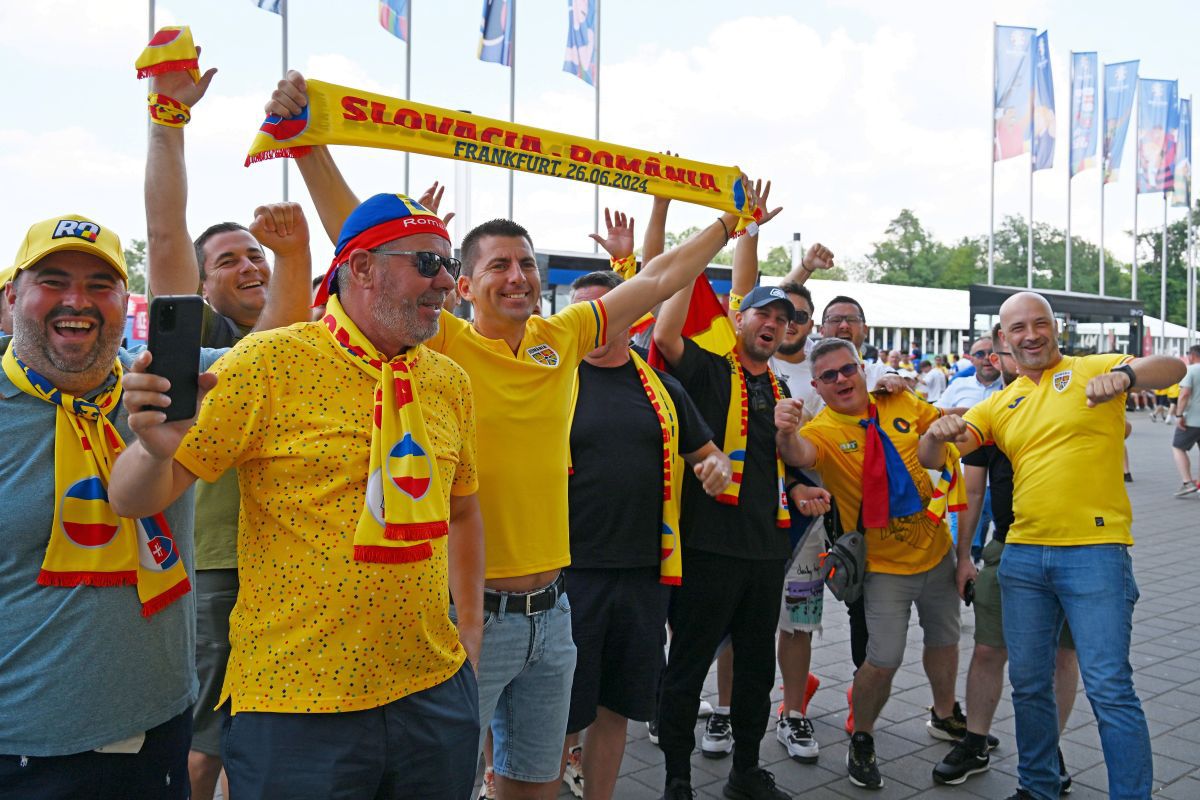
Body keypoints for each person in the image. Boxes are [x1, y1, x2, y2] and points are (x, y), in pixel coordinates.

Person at [270, 65, 766, 800]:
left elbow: (659, 279)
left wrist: (728, 225)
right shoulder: (437, 343)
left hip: (553, 614)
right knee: (441, 783)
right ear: (459, 284)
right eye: (498, 264)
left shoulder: (562, 336)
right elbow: (359, 243)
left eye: (528, 262)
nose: (519, 275)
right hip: (465, 615)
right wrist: (307, 143)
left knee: (528, 785)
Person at [109, 194, 487, 800]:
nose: (447, 281)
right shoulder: (270, 360)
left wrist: (470, 635)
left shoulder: (448, 381)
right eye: (427, 262)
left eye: (448, 263)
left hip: (434, 696)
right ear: (361, 268)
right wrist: (153, 447)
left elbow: (464, 507)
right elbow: (134, 499)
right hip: (298, 704)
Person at [919, 291, 1185, 800]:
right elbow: (937, 456)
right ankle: (1037, 787)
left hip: (1096, 554)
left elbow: (1171, 367)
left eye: (1040, 324)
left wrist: (1126, 378)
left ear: (1056, 327)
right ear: (1003, 339)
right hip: (1021, 556)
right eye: (1018, 328)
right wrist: (936, 432)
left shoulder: (1092, 369)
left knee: (1111, 690)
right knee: (1030, 687)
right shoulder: (999, 401)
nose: (1031, 335)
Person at [0, 214, 223, 799]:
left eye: (100, 285)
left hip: (158, 730)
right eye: (52, 279)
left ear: (127, 300)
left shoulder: (163, 387)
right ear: (12, 296)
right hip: (22, 746)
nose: (77, 300)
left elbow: (284, 333)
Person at [142, 55, 313, 799]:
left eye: (256, 254)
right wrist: (168, 124)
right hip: (220, 570)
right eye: (229, 260)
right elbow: (165, 230)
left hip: (299, 571)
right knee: (205, 745)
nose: (249, 265)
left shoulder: (294, 346)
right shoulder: (202, 360)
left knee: (271, 745)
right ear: (201, 285)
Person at [654, 283, 831, 800]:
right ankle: (676, 777)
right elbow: (665, 333)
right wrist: (693, 259)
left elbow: (775, 464)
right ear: (739, 318)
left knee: (756, 671)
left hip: (766, 550)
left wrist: (799, 489)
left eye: (785, 317)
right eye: (763, 314)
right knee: (687, 667)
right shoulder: (709, 370)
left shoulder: (780, 391)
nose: (774, 324)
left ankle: (746, 771)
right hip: (707, 548)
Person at [563, 269, 729, 800]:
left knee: (615, 708)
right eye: (578, 312)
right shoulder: (546, 378)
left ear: (628, 314)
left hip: (643, 575)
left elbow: (708, 454)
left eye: (601, 310)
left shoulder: (662, 386)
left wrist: (716, 468)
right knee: (555, 711)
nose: (588, 322)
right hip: (564, 574)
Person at [775, 337, 964, 790]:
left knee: (945, 640)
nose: (842, 380)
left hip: (937, 551)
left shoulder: (898, 397)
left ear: (863, 369)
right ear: (818, 386)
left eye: (848, 370)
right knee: (882, 658)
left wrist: (949, 424)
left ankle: (944, 714)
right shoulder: (821, 431)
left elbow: (940, 425)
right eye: (829, 376)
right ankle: (862, 735)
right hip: (883, 568)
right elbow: (796, 454)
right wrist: (784, 431)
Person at [932, 327, 1078, 789]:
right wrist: (964, 556)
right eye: (1003, 347)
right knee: (990, 647)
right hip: (1009, 544)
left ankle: (1046, 750)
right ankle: (975, 741)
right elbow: (972, 490)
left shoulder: (1073, 391)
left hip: (1078, 546)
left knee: (1062, 656)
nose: (1013, 353)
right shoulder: (992, 410)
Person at [1173, 344, 1200, 496]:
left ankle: (1187, 482)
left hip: (1193, 419)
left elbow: (1184, 394)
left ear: (1192, 356)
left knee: (1178, 447)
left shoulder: (1190, 370)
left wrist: (1179, 415)